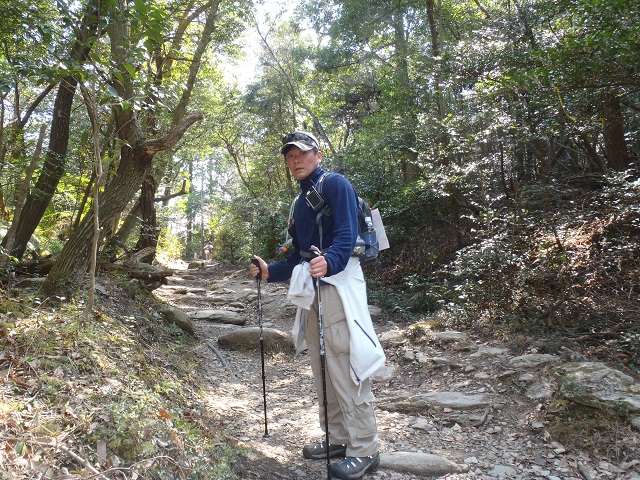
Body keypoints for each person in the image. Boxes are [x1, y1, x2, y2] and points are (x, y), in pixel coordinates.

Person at [251, 131, 385, 480]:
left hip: (339, 287)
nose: (295, 161)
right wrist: (270, 272)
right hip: (314, 289)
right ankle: (338, 439)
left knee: (344, 362)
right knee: (322, 366)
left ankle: (365, 448)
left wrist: (332, 261)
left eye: (302, 154)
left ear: (318, 155)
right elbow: (298, 255)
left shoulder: (335, 184)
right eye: (290, 156)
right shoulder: (299, 201)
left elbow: (346, 233)